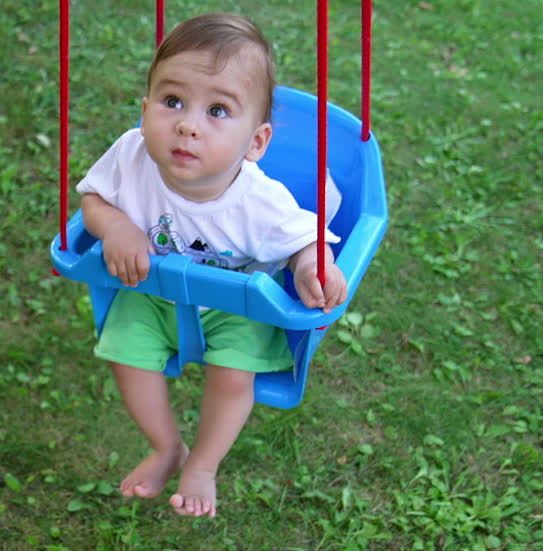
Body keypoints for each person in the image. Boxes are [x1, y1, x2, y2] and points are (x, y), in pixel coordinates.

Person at [76, 12, 349, 518]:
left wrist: (314, 266)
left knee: (233, 375)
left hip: (235, 305)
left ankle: (202, 464)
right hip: (153, 293)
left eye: (217, 111)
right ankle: (165, 447)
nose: (187, 124)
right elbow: (94, 200)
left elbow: (305, 242)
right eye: (172, 101)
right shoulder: (130, 155)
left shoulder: (260, 201)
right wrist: (115, 227)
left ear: (256, 144)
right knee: (126, 356)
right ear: (145, 108)